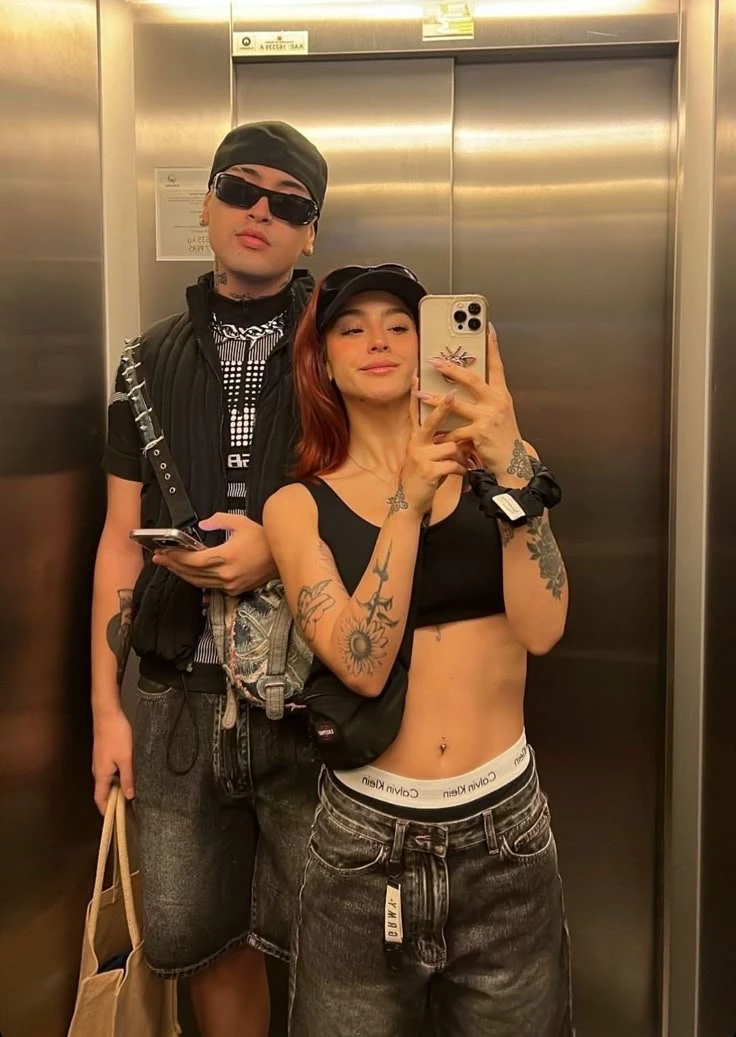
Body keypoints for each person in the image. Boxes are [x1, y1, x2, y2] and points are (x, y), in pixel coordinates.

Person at [263, 264, 573, 1036]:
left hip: (505, 833)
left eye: (400, 325)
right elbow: (361, 663)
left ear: (429, 347)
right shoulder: (296, 506)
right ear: (322, 361)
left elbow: (544, 627)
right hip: (364, 846)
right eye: (352, 327)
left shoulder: (503, 471)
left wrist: (514, 467)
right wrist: (406, 500)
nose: (378, 340)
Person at [91, 121, 328, 1037]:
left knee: (332, 947)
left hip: (314, 701)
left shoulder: (342, 351)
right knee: (203, 942)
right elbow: (118, 540)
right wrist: (106, 713)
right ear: (207, 202)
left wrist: (280, 547)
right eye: (239, 188)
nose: (259, 211)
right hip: (178, 704)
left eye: (288, 203)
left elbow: (388, 508)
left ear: (311, 231)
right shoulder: (143, 361)